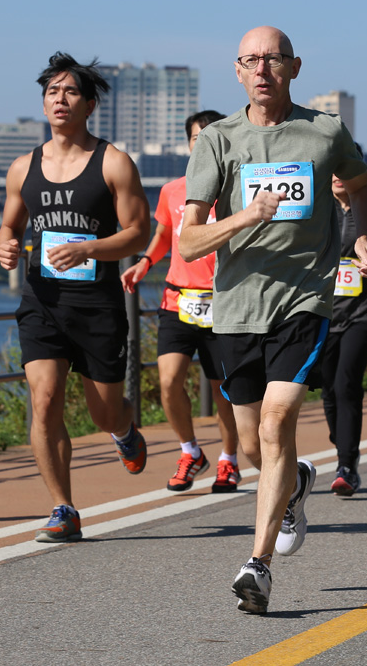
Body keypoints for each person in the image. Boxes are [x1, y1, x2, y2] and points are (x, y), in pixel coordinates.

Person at [178, 26, 367, 614]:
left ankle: (258, 564)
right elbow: (190, 242)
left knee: (277, 418)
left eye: (273, 58)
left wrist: (360, 233)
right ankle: (292, 486)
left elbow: (359, 189)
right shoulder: (217, 140)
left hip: (305, 299)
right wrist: (245, 217)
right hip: (238, 306)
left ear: (294, 67)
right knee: (250, 448)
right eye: (250, 60)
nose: (262, 68)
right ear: (237, 71)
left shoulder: (324, 132)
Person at [0, 52, 151, 543]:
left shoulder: (113, 163)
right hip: (42, 302)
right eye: (51, 92)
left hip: (97, 308)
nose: (59, 100)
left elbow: (138, 234)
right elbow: (10, 223)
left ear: (89, 105)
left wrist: (89, 247)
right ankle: (63, 508)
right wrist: (4, 242)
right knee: (44, 402)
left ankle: (124, 430)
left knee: (103, 412)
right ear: (44, 104)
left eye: (70, 93)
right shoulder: (23, 167)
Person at [120, 110, 242, 494]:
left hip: (223, 303)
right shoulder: (174, 190)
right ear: (189, 144)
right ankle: (190, 451)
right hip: (178, 301)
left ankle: (228, 460)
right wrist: (143, 262)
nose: (201, 142)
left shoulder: (237, 190)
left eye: (210, 136)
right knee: (168, 380)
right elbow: (163, 235)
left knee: (225, 391)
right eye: (195, 137)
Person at [321, 161, 367, 497]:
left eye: (344, 170)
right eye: (332, 170)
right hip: (320, 315)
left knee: (346, 385)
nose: (337, 176)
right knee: (327, 389)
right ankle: (344, 441)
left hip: (359, 313)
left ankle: (347, 466)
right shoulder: (315, 211)